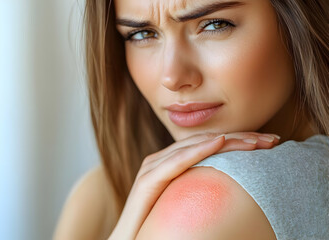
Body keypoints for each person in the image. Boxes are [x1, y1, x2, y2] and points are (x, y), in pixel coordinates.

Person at [54, 0, 329, 239]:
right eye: (142, 33)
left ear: (298, 18)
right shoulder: (101, 195)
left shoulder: (201, 202)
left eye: (214, 24)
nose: (172, 77)